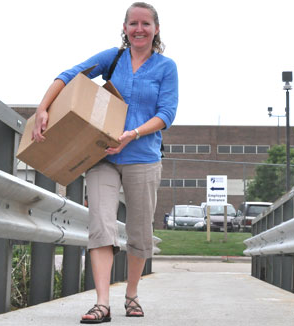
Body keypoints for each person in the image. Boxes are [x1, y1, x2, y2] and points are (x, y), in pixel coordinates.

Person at [32, 2, 177, 323]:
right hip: (101, 156)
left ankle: (132, 295)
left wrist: (132, 134)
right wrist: (43, 108)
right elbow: (68, 75)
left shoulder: (166, 68)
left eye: (146, 24)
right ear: (124, 28)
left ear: (156, 29)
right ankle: (102, 303)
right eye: (133, 24)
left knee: (140, 232)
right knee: (101, 226)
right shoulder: (112, 58)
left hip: (143, 157)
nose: (139, 29)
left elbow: (166, 115)